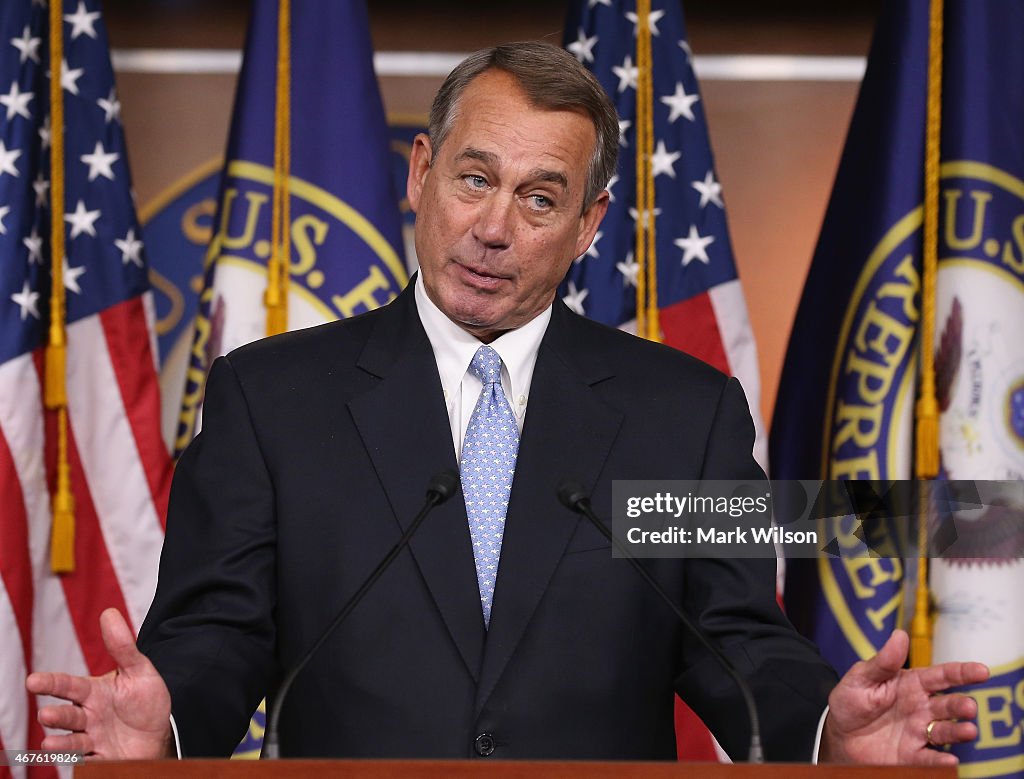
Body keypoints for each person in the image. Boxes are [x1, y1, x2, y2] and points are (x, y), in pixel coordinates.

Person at [27, 41, 986, 764]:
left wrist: (826, 728)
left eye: (539, 198)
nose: (493, 227)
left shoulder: (680, 415)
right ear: (420, 175)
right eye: (475, 178)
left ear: (588, 225)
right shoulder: (274, 401)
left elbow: (732, 637)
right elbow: (219, 634)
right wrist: (172, 722)